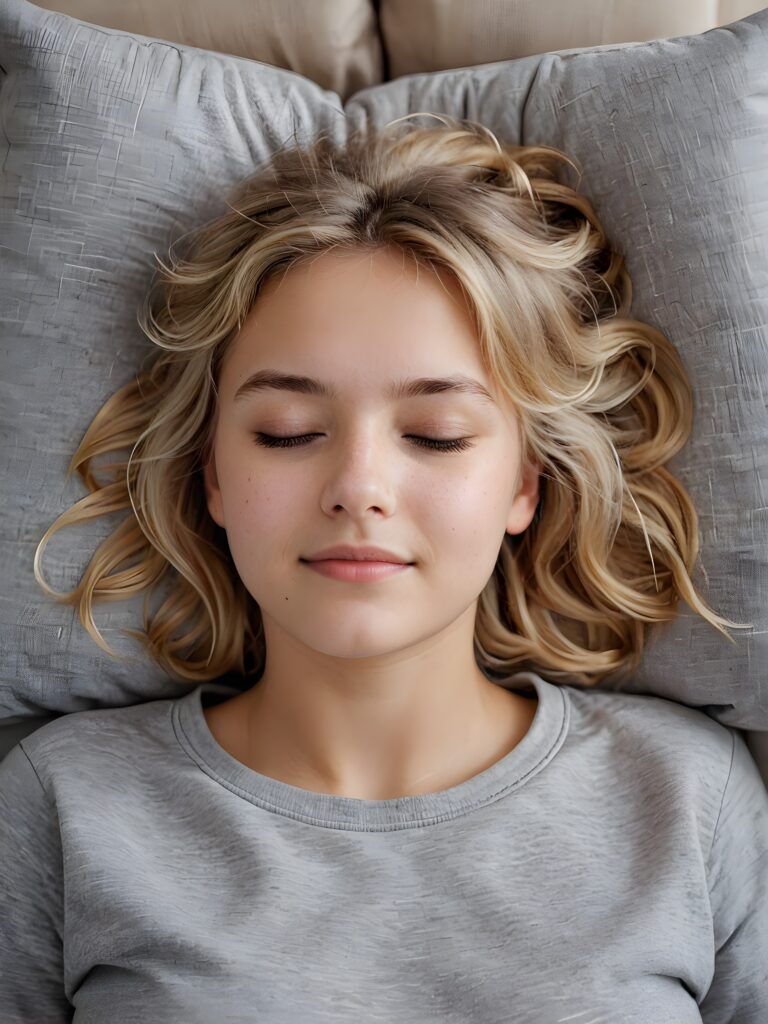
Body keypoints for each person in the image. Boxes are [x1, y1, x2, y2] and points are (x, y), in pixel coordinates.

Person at [1, 113, 766, 1022]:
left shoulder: (688, 798)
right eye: (287, 432)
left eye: (435, 436)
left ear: (525, 484)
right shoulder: (64, 804)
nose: (358, 488)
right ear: (211, 473)